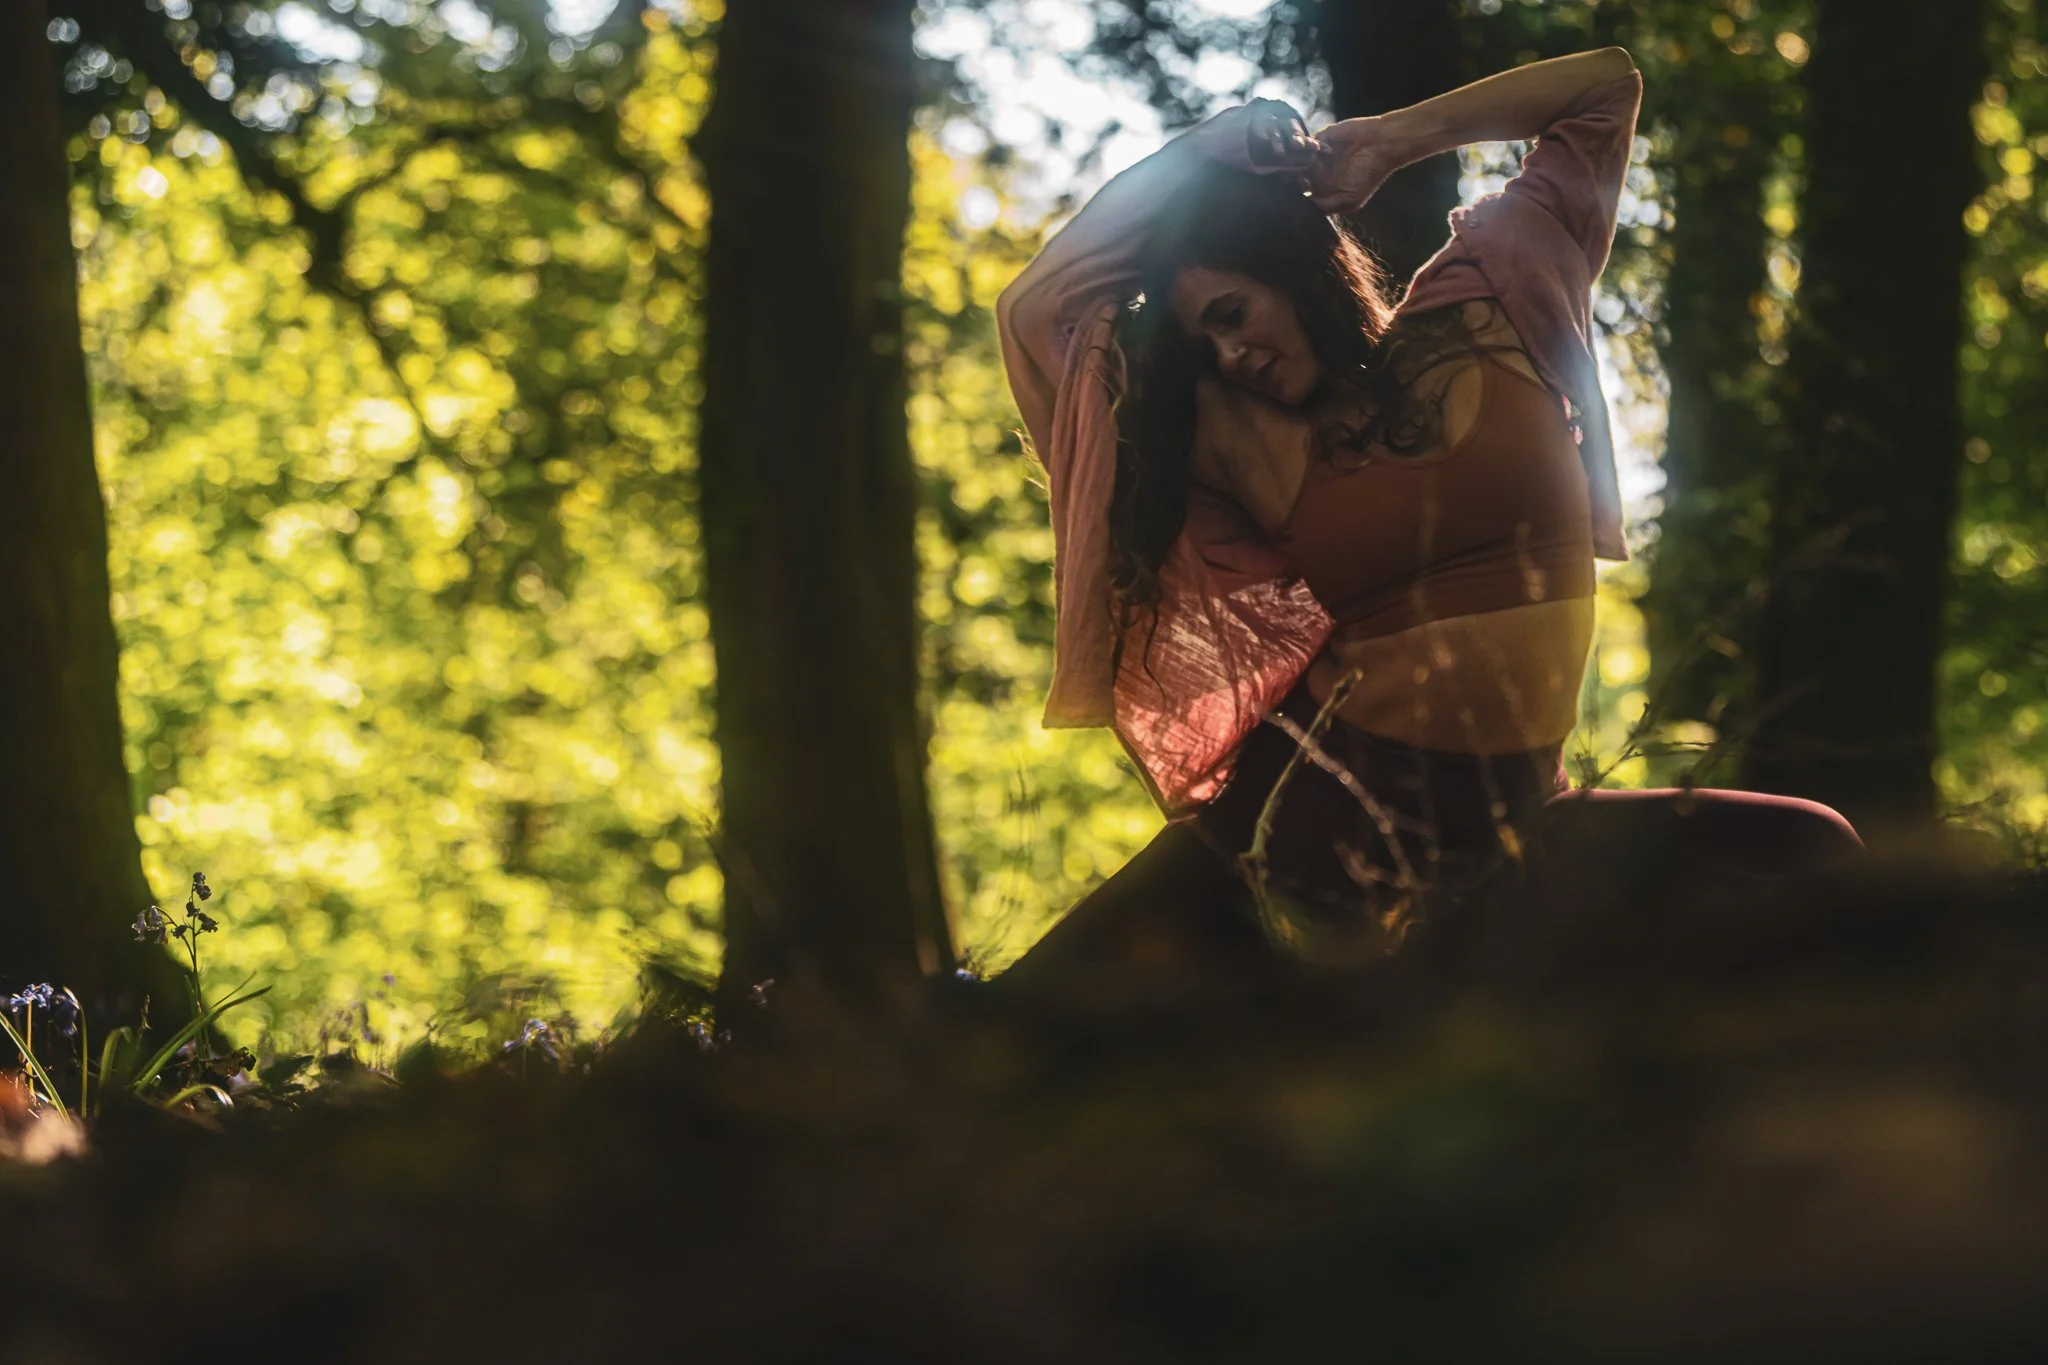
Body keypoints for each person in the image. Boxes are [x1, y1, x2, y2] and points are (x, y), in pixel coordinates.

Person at [993, 48, 1860, 990]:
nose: (1231, 352)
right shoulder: (1238, 435)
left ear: (1293, 268)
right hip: (1337, 800)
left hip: (1516, 816)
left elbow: (1603, 90)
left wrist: (1388, 142)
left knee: (1808, 846)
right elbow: (1038, 307)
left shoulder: (1492, 298)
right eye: (1207, 338)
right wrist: (1209, 155)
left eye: (1234, 313)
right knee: (1059, 1012)